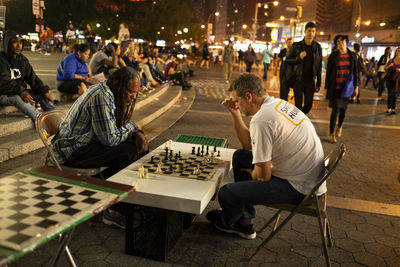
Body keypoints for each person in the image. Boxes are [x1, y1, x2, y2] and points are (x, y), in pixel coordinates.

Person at [206, 73, 325, 239]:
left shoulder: (262, 120)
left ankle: (229, 222)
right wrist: (235, 114)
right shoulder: (278, 104)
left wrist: (253, 173)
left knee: (226, 193)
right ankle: (244, 218)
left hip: (299, 188)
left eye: (237, 101)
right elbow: (249, 146)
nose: (237, 105)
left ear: (249, 96)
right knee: (240, 156)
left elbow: (263, 176)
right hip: (309, 178)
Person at [52, 67, 148, 228]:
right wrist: (133, 127)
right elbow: (110, 139)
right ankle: (113, 211)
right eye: (131, 91)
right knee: (127, 152)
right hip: (72, 151)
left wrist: (136, 132)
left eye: (136, 92)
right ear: (118, 84)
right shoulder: (101, 96)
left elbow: (112, 132)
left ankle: (127, 199)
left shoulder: (109, 92)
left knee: (135, 145)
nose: (134, 96)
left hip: (87, 144)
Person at [0, 30, 55, 121]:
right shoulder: (1, 59)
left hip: (19, 91)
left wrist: (44, 91)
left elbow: (32, 77)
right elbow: (4, 82)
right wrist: (21, 91)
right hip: (4, 94)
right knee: (17, 98)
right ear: (7, 43)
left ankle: (58, 119)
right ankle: (40, 120)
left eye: (20, 42)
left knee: (42, 94)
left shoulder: (22, 59)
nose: (19, 45)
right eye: (14, 42)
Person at [325, 35, 359, 143]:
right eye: (338, 42)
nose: (340, 43)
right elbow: (329, 73)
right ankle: (331, 133)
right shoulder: (333, 56)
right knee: (335, 110)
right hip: (336, 87)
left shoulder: (353, 56)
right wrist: (327, 87)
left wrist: (356, 86)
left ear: (346, 42)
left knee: (343, 109)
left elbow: (356, 72)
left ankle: (339, 126)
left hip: (347, 87)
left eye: (342, 41)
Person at [286, 22, 322, 114]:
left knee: (308, 105)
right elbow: (287, 60)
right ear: (305, 32)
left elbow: (319, 65)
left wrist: (318, 82)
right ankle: (299, 123)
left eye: (313, 31)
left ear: (315, 33)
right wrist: (299, 58)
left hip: (310, 81)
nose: (311, 33)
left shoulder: (317, 47)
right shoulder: (296, 46)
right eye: (309, 31)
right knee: (298, 106)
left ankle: (301, 117)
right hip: (298, 80)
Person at [384, 47, 400, 115]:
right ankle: (389, 108)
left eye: (399, 51)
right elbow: (385, 68)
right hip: (390, 79)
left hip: (397, 80)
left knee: (394, 94)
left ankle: (393, 108)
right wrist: (389, 66)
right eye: (397, 51)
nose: (398, 52)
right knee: (390, 94)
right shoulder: (391, 60)